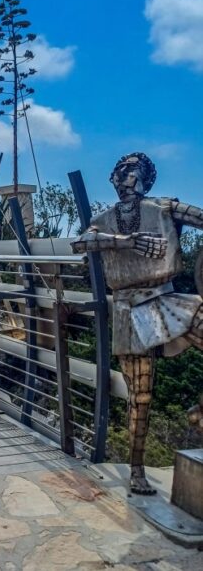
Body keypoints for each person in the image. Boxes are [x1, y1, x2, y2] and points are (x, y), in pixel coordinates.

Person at [72, 152, 203, 494]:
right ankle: (136, 469)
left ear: (145, 179)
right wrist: (126, 242)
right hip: (129, 309)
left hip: (167, 298)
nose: (127, 180)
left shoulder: (165, 208)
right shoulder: (103, 219)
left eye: (134, 174)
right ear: (113, 178)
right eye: (122, 173)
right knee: (140, 397)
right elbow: (81, 242)